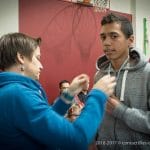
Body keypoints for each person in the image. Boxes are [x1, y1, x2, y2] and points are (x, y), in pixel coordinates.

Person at [0, 32, 116, 150]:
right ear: (21, 58)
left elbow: (44, 123)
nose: (41, 66)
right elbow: (76, 140)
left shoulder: (9, 92)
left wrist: (70, 93)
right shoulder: (18, 94)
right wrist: (98, 94)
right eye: (37, 58)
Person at [95, 13, 150, 150]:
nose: (106, 42)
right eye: (103, 37)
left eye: (114, 36)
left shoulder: (147, 73)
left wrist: (121, 111)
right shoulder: (99, 75)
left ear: (130, 40)